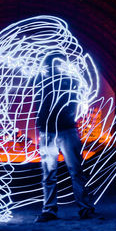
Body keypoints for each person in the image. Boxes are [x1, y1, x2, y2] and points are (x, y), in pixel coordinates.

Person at [34, 54, 95, 222]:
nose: (50, 68)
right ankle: (50, 210)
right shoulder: (40, 81)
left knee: (75, 171)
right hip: (48, 132)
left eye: (53, 65)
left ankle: (84, 208)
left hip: (66, 129)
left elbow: (76, 95)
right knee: (49, 173)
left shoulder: (70, 81)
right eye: (48, 66)